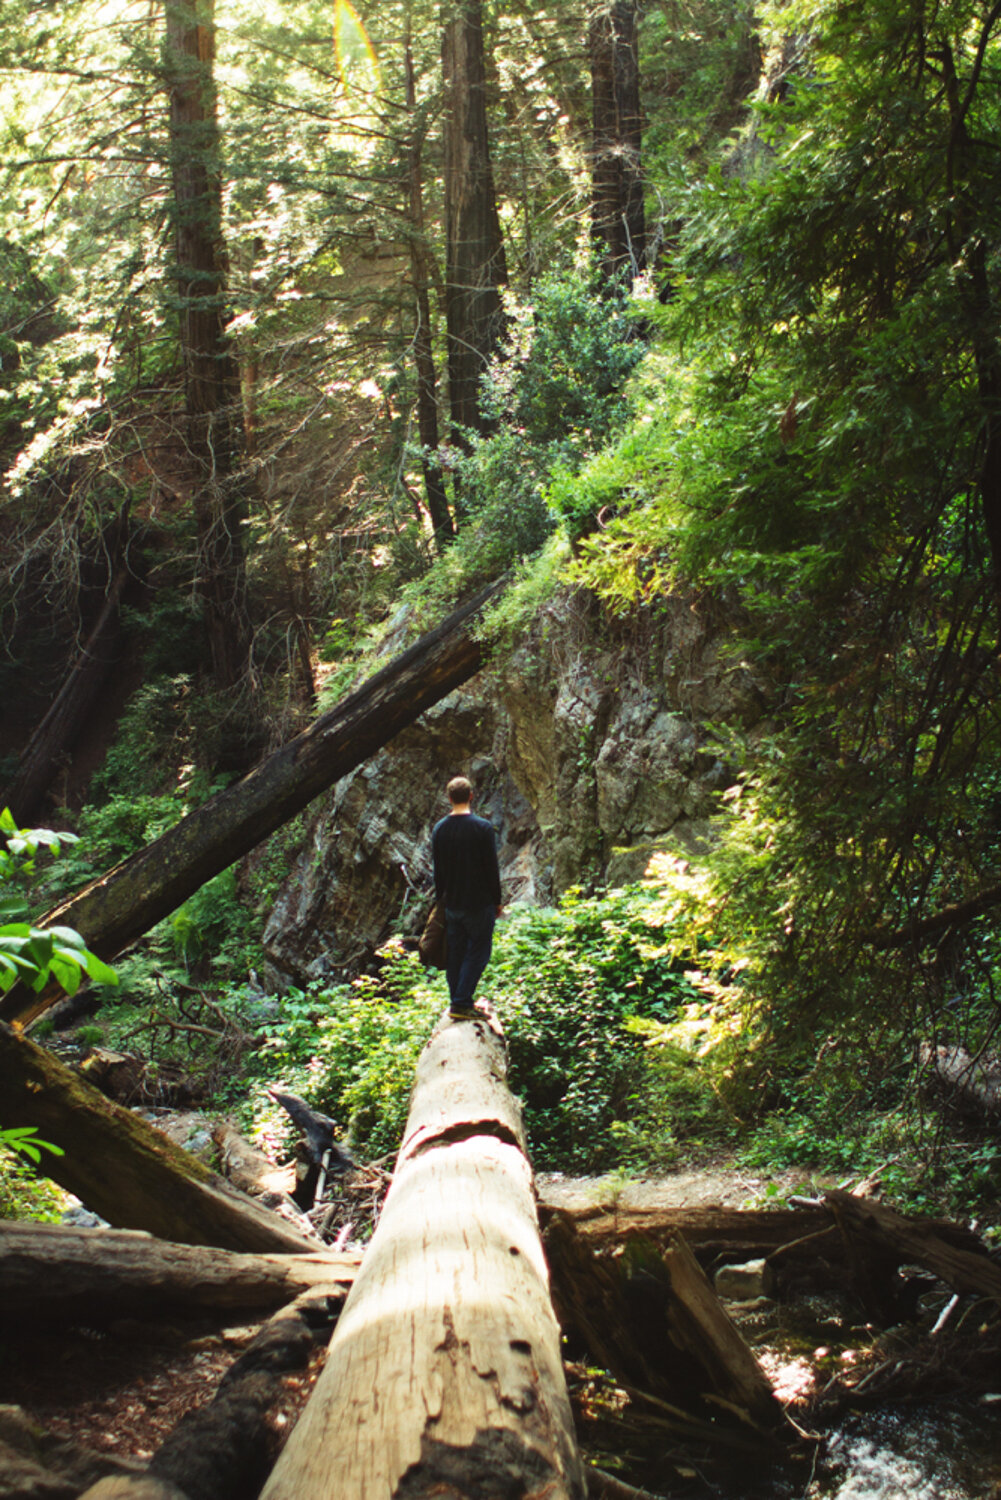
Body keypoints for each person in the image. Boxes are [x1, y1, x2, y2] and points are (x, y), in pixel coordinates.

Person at [431, 775, 503, 1019]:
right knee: (479, 952)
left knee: (456, 954)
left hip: (453, 903)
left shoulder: (439, 829)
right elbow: (491, 868)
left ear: (449, 798)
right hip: (479, 902)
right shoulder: (482, 828)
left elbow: (437, 869)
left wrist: (440, 898)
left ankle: (457, 1001)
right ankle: (461, 1002)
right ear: (471, 795)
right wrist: (497, 900)